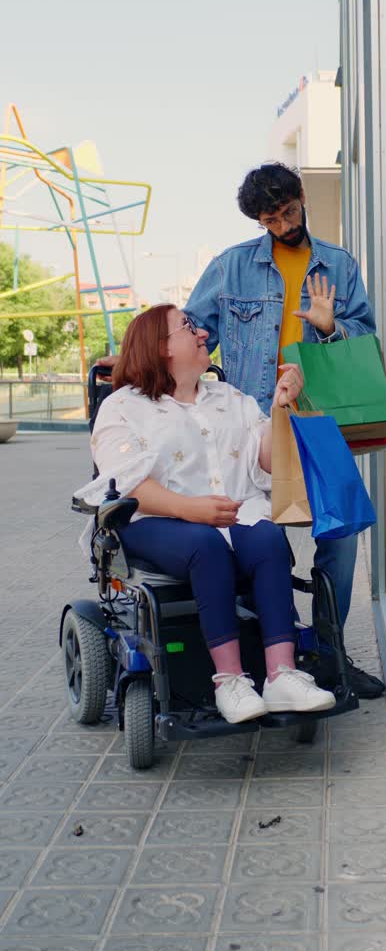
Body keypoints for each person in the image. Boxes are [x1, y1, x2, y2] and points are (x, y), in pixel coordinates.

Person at [75, 304, 336, 724]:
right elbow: (127, 483)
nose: (201, 335)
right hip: (151, 521)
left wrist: (281, 407)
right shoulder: (123, 407)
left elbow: (266, 460)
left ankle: (282, 675)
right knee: (204, 542)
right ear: (160, 349)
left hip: (233, 515)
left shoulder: (229, 398)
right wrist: (189, 509)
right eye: (188, 328)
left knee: (268, 536)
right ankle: (229, 681)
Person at [184, 161, 385, 698]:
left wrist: (330, 326)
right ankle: (265, 649)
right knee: (253, 534)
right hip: (251, 428)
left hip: (320, 422)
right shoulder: (230, 268)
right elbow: (192, 334)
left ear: (301, 198)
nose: (281, 225)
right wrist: (139, 363)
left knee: (340, 536)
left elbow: (364, 337)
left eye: (288, 212)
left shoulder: (339, 265)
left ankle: (326, 649)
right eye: (269, 220)